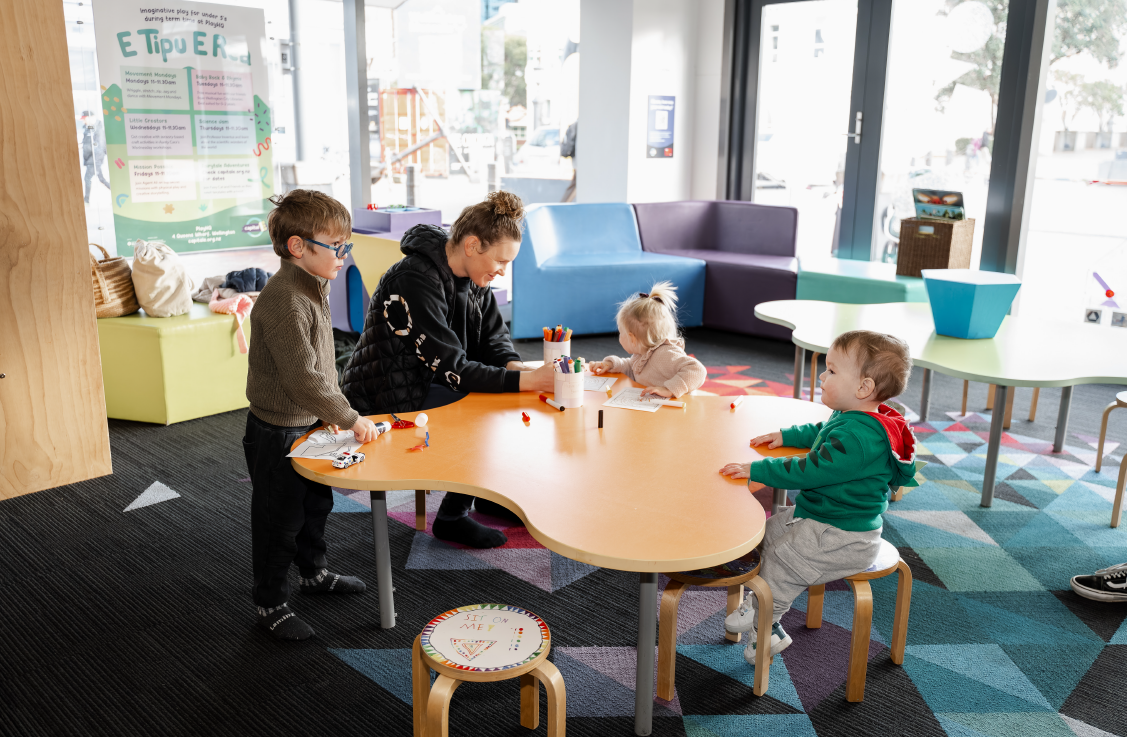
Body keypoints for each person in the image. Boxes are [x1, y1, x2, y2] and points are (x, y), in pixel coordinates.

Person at [341, 191, 555, 549]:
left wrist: (517, 366)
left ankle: (485, 492)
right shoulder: (412, 279)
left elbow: (494, 339)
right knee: (487, 407)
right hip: (386, 394)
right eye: (501, 261)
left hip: (426, 382)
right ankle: (452, 516)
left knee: (510, 396)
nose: (503, 271)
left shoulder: (474, 277)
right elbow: (454, 368)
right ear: (473, 245)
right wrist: (527, 379)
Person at [719, 330, 921, 665]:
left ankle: (769, 629)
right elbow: (821, 432)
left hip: (843, 536)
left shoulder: (858, 439)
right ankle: (757, 604)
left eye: (831, 371)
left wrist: (758, 470)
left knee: (782, 563)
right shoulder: (855, 415)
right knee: (767, 535)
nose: (822, 376)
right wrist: (785, 435)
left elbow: (809, 470)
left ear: (864, 387)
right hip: (823, 518)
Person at [244, 190, 379, 641]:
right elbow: (304, 379)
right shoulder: (285, 299)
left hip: (310, 423)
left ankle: (314, 574)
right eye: (336, 246)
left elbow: (321, 369)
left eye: (347, 245)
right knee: (278, 521)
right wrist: (348, 416)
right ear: (298, 247)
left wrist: (331, 415)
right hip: (278, 432)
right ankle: (269, 603)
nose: (344, 255)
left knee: (315, 506)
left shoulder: (312, 286)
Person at [587, 281, 706, 398]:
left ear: (632, 338)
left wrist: (669, 389)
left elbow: (697, 371)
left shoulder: (664, 354)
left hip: (679, 409)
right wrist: (611, 364)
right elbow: (633, 368)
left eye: (621, 332)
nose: (619, 337)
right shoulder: (642, 354)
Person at [79, 111, 110, 203]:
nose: (83, 121)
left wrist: (95, 161)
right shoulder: (89, 128)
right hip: (91, 158)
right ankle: (117, 193)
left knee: (87, 178)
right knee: (101, 179)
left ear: (91, 117)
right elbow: (88, 141)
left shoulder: (98, 128)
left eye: (84, 119)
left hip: (95, 159)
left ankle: (86, 200)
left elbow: (100, 145)